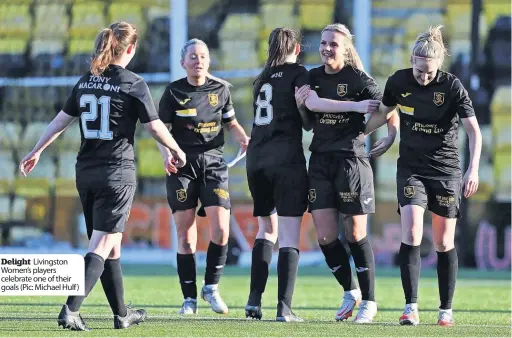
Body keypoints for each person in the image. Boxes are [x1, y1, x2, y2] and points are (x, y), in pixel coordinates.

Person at [19, 22, 186, 331]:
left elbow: (61, 120)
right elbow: (154, 125)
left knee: (112, 245)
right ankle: (71, 309)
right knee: (101, 245)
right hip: (116, 173)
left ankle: (122, 314)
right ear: (132, 49)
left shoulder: (87, 81)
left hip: (86, 172)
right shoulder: (133, 83)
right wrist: (176, 149)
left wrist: (36, 149)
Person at [372, 25, 482, 327]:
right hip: (411, 169)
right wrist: (360, 135)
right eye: (419, 71)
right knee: (411, 234)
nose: (423, 77)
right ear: (412, 60)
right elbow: (384, 112)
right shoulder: (398, 81)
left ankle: (445, 310)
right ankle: (410, 307)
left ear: (439, 65)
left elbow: (474, 131)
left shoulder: (452, 86)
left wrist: (472, 169)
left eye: (429, 73)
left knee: (444, 242)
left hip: (446, 170)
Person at [294, 23, 399, 323]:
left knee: (355, 233)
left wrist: (390, 134)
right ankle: (350, 290)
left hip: (352, 161)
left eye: (334, 44)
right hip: (320, 161)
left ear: (346, 48)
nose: (327, 48)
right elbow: (308, 118)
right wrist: (302, 107)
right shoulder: (311, 77)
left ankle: (370, 301)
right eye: (324, 42)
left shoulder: (359, 79)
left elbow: (390, 107)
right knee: (325, 236)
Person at [157, 38, 250, 316]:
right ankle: (189, 299)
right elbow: (161, 131)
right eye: (194, 57)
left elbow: (230, 122)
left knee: (221, 229)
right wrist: (166, 154)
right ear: (183, 62)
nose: (199, 61)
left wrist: (242, 137)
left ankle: (211, 287)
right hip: (182, 165)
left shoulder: (220, 90)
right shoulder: (173, 92)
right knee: (186, 236)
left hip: (213, 164)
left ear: (209, 61)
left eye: (203, 56)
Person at [243, 27, 313, 322]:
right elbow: (307, 122)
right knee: (287, 236)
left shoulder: (261, 79)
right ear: (296, 48)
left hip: (256, 158)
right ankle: (284, 308)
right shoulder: (299, 73)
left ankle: (253, 301)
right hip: (285, 158)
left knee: (265, 230)